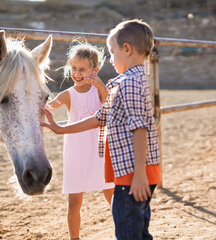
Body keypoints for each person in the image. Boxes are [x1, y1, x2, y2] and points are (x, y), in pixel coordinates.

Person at [43, 19, 161, 240]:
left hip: (132, 173)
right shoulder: (132, 81)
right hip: (128, 171)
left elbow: (140, 128)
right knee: (137, 229)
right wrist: (60, 129)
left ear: (127, 49)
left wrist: (139, 174)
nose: (111, 58)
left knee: (128, 231)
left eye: (112, 52)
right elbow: (100, 118)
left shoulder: (127, 84)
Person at [46, 40, 114, 240]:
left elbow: (110, 105)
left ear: (95, 69)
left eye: (83, 69)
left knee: (111, 195)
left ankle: (125, 230)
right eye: (74, 68)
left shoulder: (99, 91)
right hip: (76, 152)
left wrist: (101, 85)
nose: (77, 73)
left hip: (100, 150)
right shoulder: (68, 95)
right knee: (74, 202)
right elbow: (46, 109)